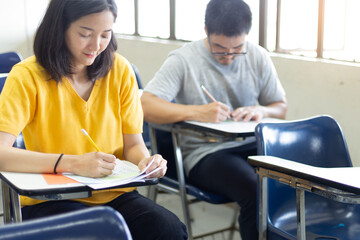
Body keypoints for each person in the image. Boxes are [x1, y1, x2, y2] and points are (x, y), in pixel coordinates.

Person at [0, 0, 187, 239]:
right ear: (60, 28)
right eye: (85, 34)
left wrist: (146, 163)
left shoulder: (120, 70)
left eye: (105, 35)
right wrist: (73, 163)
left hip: (114, 194)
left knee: (168, 229)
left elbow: (133, 145)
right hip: (52, 198)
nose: (96, 46)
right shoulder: (27, 76)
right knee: (96, 233)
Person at [141, 0, 287, 239]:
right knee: (255, 189)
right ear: (206, 31)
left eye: (237, 48)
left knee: (296, 176)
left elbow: (280, 108)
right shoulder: (184, 59)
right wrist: (196, 112)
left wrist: (261, 110)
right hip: (205, 154)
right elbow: (145, 105)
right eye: (220, 48)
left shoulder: (258, 56)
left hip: (251, 145)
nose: (228, 57)